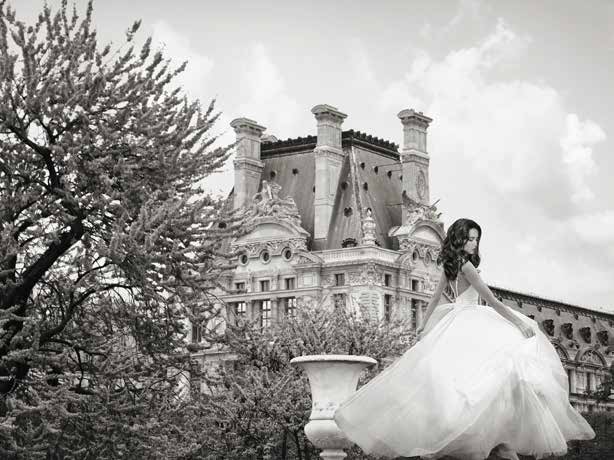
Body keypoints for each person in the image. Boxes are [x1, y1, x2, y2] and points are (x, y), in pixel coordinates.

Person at [334, 218, 595, 460]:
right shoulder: (467, 267)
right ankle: (495, 433)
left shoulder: (450, 266)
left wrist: (422, 329)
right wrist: (518, 322)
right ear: (460, 239)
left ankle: (474, 433)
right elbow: (491, 301)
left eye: (476, 239)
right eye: (470, 238)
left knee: (461, 381)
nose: (474, 243)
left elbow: (435, 299)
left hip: (455, 320)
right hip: (471, 318)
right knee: (498, 372)